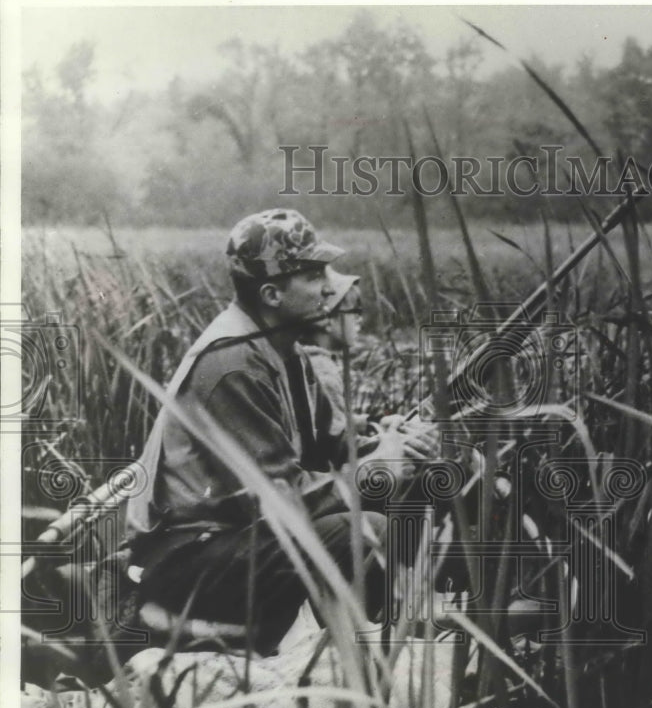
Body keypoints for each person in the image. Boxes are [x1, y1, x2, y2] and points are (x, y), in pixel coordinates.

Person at [125, 208, 437, 652]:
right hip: (190, 562)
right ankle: (376, 642)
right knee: (366, 528)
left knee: (413, 488)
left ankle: (401, 628)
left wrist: (397, 444)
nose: (330, 286)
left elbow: (333, 442)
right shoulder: (232, 362)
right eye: (312, 276)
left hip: (236, 543)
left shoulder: (283, 349)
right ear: (272, 293)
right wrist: (376, 469)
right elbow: (279, 500)